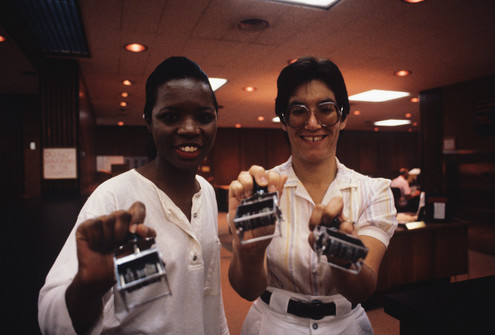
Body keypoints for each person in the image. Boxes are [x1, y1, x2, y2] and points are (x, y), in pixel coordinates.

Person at [38, 57, 229, 334]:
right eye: (170, 116)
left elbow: (209, 298)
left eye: (204, 117)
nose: (190, 129)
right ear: (148, 122)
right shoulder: (114, 197)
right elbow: (49, 316)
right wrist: (87, 286)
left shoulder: (207, 193)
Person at [227, 56, 398, 334]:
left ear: (342, 116)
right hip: (272, 324)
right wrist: (251, 250)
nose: (313, 123)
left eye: (326, 109)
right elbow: (247, 290)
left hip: (346, 325)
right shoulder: (262, 189)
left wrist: (341, 253)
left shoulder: (374, 190)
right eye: (298, 111)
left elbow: (363, 289)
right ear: (284, 120)